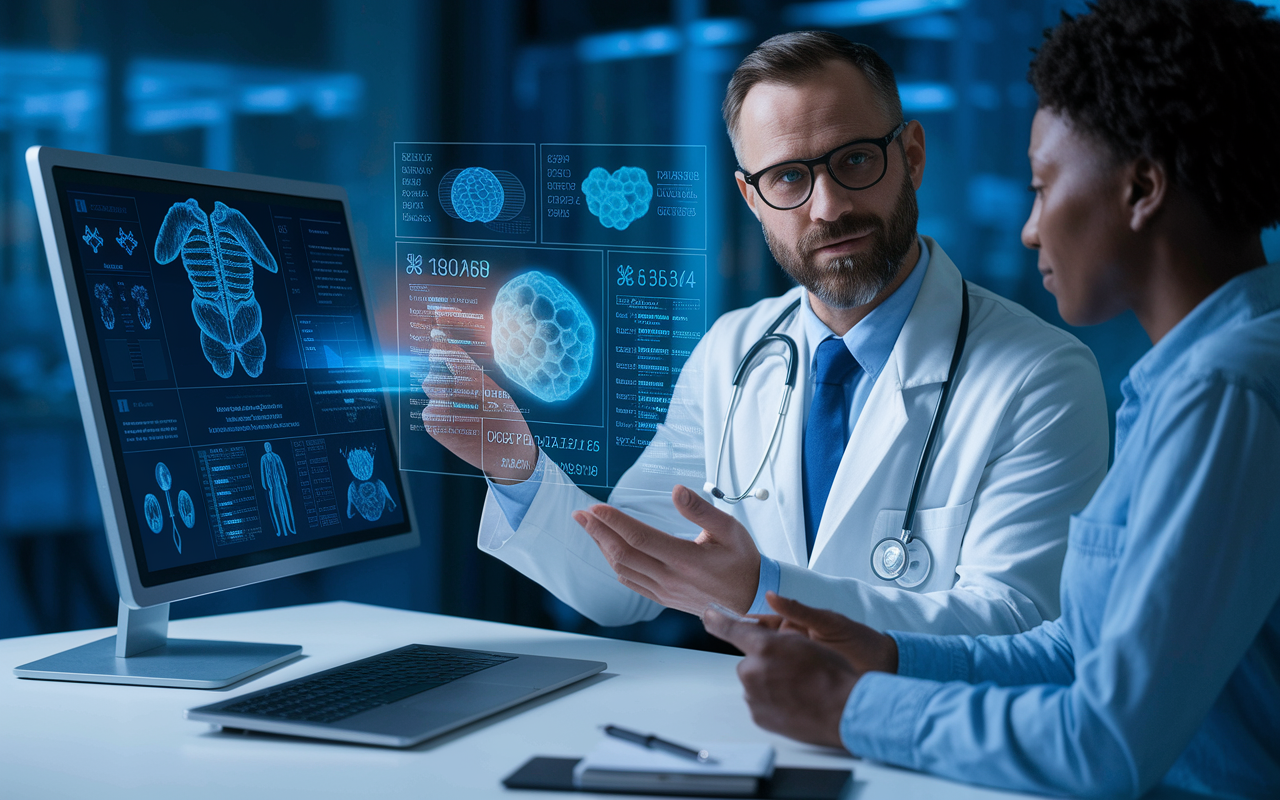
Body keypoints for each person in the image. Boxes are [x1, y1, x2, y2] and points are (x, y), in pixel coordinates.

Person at [704, 1, 1280, 797]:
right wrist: (889, 654)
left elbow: (1103, 743)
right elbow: (1078, 653)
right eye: (790, 179)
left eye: (1043, 186)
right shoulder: (1187, 382)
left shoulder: (1228, 392)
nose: (1030, 231)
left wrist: (850, 708)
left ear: (1142, 187)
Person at [422, 32, 1110, 634]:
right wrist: (516, 466)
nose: (829, 206)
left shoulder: (1043, 376)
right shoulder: (731, 352)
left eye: (856, 160)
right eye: (788, 177)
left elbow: (1021, 629)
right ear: (752, 198)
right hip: (758, 738)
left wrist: (763, 593)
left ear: (913, 156)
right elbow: (624, 582)